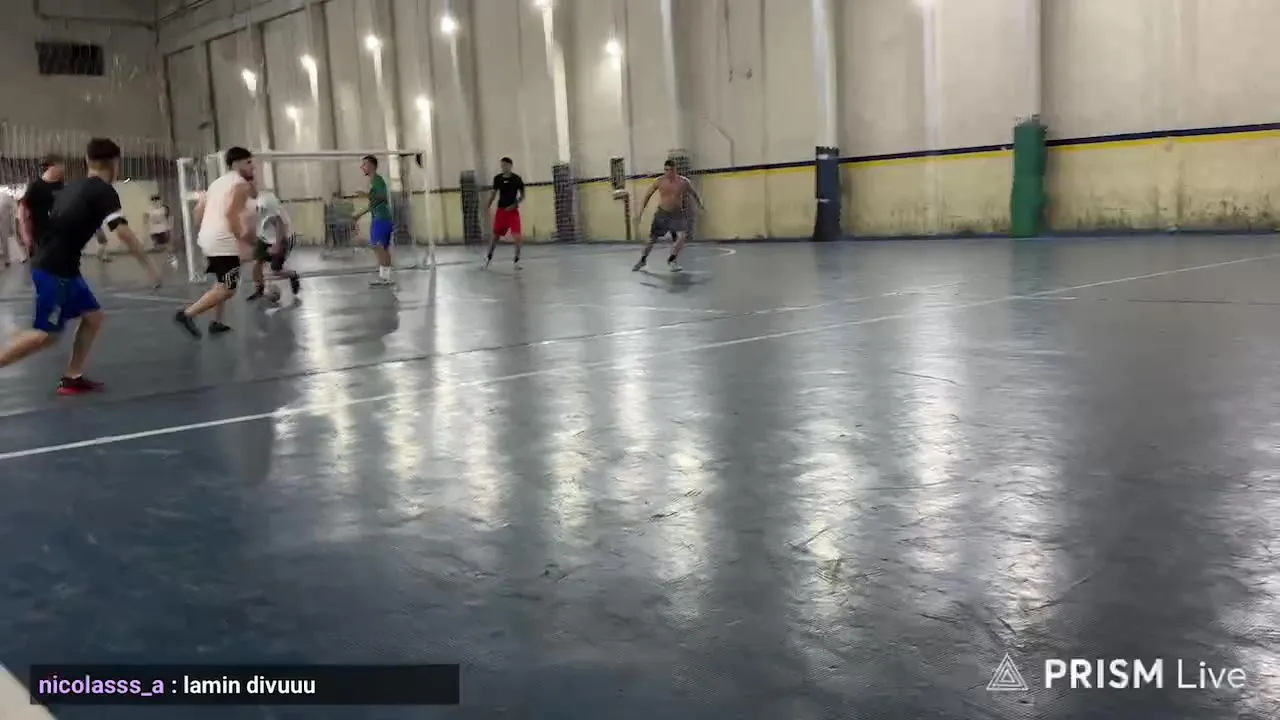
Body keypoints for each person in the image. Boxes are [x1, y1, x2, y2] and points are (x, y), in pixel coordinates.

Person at [0, 138, 161, 395]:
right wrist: (150, 266)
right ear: (115, 163)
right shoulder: (103, 191)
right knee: (47, 335)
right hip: (54, 269)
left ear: (87, 161)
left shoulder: (74, 187)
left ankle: (72, 377)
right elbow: (122, 230)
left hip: (63, 267)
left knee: (93, 317)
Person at [174, 146, 257, 338]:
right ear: (236, 164)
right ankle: (187, 314)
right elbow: (231, 214)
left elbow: (198, 212)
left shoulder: (217, 183)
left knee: (222, 282)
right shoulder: (240, 185)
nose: (252, 166)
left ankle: (216, 322)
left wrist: (207, 231)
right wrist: (243, 239)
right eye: (248, 162)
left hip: (210, 238)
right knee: (229, 288)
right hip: (223, 241)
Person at [632, 159, 704, 273]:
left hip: (677, 214)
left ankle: (672, 259)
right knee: (652, 239)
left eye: (670, 170)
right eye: (666, 170)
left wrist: (700, 205)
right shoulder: (659, 181)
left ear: (675, 170)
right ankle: (642, 260)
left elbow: (693, 193)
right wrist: (640, 212)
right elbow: (647, 196)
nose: (668, 173)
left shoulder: (683, 182)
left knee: (682, 236)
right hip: (662, 214)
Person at [245, 187, 301, 304]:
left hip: (282, 237)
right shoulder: (251, 201)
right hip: (265, 237)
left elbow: (279, 223)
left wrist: (277, 244)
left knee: (276, 270)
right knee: (256, 264)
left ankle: (293, 275)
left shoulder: (267, 200)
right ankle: (259, 290)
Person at [353, 155, 394, 286]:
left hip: (382, 219)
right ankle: (385, 277)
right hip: (382, 218)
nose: (362, 167)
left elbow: (383, 197)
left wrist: (365, 194)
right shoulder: (374, 182)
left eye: (364, 164)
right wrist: (359, 214)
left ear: (371, 166)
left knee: (378, 247)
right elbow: (374, 204)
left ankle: (385, 278)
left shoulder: (377, 180)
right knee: (382, 248)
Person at [18, 156, 65, 262]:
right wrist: (25, 234)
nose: (62, 170)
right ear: (51, 167)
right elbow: (22, 210)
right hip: (40, 236)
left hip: (59, 235)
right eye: (60, 166)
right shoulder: (36, 186)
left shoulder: (61, 186)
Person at [484, 156, 526, 270]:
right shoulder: (497, 179)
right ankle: (488, 258)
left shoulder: (517, 179)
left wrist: (515, 204)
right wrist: (487, 205)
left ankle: (516, 261)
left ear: (510, 166)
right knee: (495, 237)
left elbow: (522, 196)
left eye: (505, 165)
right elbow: (493, 194)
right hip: (501, 211)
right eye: (502, 165)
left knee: (517, 237)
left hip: (512, 212)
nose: (503, 167)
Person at [147, 194, 178, 267]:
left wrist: (170, 228)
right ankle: (167, 258)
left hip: (164, 230)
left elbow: (170, 217)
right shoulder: (150, 210)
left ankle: (172, 258)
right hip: (154, 232)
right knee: (158, 246)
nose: (155, 203)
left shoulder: (164, 209)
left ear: (160, 201)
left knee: (167, 245)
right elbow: (149, 221)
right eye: (154, 201)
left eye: (157, 201)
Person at [0, 193, 16, 267]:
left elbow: (15, 207)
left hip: (4, 223)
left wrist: (12, 223)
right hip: (4, 222)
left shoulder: (5, 196)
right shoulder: (5, 196)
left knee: (4, 241)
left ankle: (7, 259)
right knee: (4, 242)